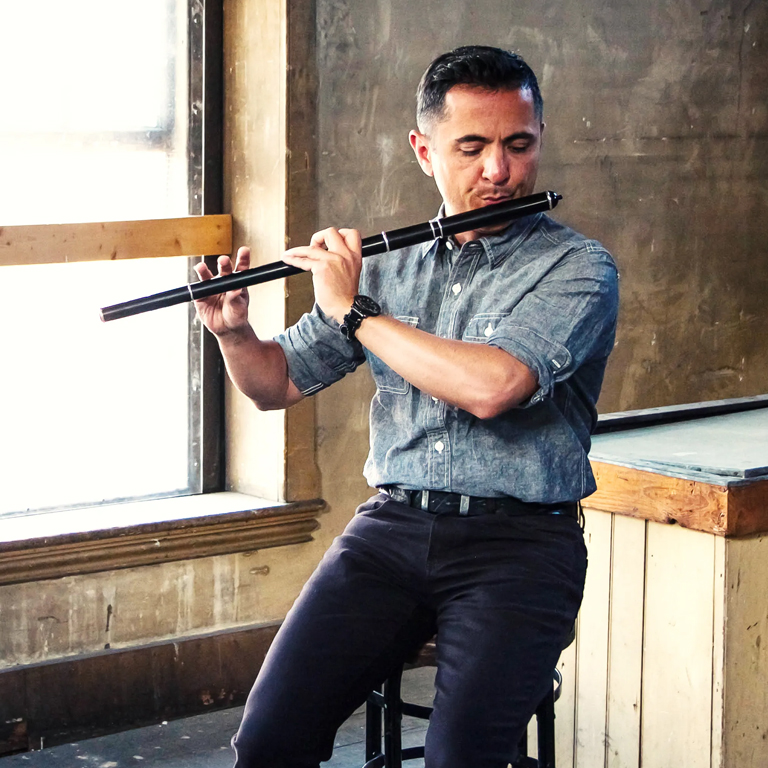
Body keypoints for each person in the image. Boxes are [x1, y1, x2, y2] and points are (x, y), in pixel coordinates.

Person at [194, 45, 619, 768]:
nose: (498, 171)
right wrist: (234, 332)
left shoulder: (578, 268)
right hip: (392, 529)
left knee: (461, 757)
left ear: (538, 140)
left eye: (518, 145)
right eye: (473, 147)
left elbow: (494, 387)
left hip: (520, 545)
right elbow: (276, 385)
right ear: (425, 151)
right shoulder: (386, 267)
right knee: (268, 739)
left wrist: (354, 313)